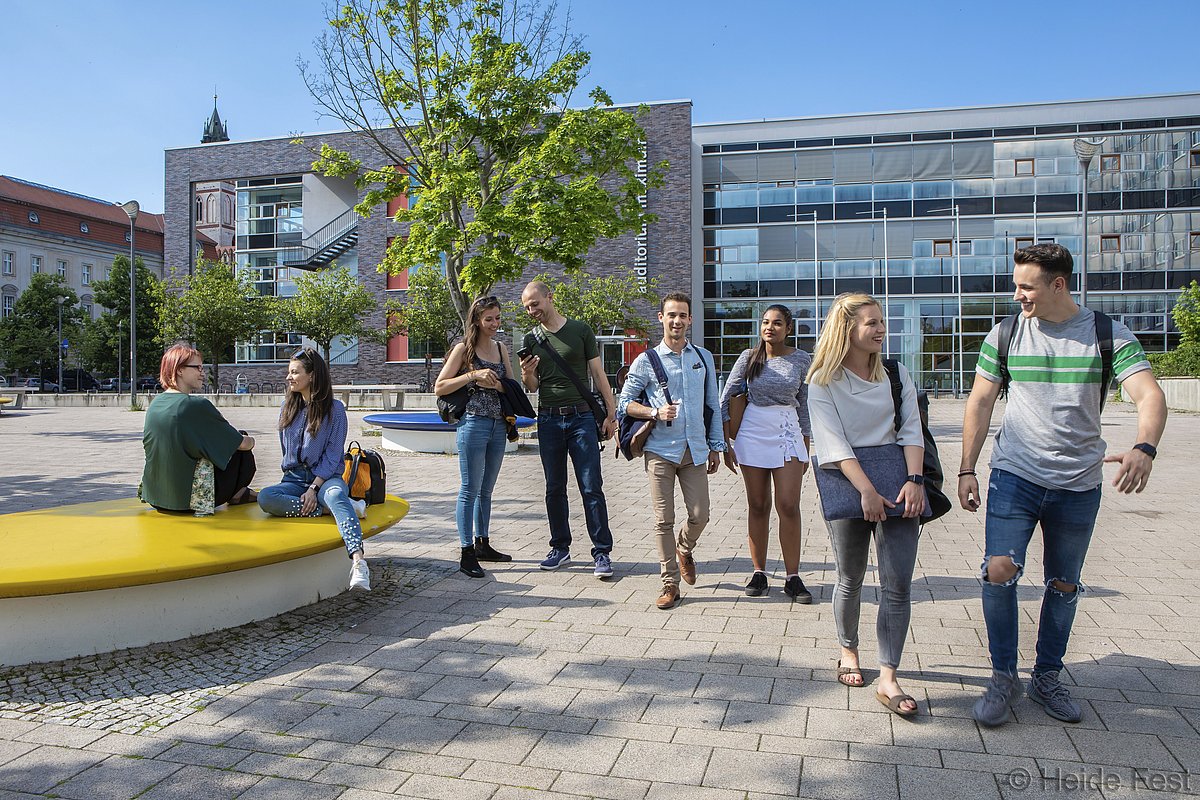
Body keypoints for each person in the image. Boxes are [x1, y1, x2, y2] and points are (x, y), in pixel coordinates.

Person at [960, 243, 1166, 727]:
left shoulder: (1106, 334)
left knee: (1063, 583)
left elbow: (1149, 394)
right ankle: (1003, 676)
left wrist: (1145, 447)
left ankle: (1047, 678)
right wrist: (967, 468)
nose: (1017, 296)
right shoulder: (1006, 334)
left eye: (1026, 287)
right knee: (998, 569)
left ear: (1058, 284)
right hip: (1016, 474)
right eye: (1017, 285)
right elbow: (980, 403)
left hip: (1077, 483)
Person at [806, 293, 926, 718]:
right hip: (848, 480)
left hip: (899, 478)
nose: (880, 329)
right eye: (870, 323)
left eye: (881, 322)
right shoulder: (822, 380)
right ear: (846, 330)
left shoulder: (895, 373)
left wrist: (915, 481)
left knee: (898, 584)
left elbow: (912, 429)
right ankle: (848, 650)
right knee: (850, 577)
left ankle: (889, 676)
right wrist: (866, 491)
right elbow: (831, 443)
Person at [617, 293, 724, 609]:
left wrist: (716, 447)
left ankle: (684, 547)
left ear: (690, 319)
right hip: (660, 450)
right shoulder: (646, 360)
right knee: (663, 519)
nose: (677, 321)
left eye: (683, 315)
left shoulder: (702, 358)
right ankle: (669, 584)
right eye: (671, 315)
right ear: (661, 318)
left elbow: (712, 407)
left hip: (694, 449)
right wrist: (654, 413)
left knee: (700, 514)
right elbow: (625, 404)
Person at [518, 280, 618, 578]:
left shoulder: (580, 330)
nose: (532, 310)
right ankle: (560, 548)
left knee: (591, 487)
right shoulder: (530, 338)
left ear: (550, 297)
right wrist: (526, 374)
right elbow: (532, 386)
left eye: (535, 304)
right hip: (548, 419)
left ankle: (602, 552)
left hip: (581, 418)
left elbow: (598, 374)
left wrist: (611, 414)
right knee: (554, 488)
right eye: (527, 307)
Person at [257, 348, 372, 592]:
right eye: (289, 372)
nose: (289, 377)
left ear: (312, 376)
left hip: (326, 478)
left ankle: (358, 561)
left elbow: (332, 458)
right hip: (294, 478)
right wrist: (301, 487)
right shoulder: (287, 406)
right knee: (267, 498)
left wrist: (313, 488)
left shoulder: (335, 410)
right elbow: (286, 452)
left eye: (295, 372)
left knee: (334, 495)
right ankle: (334, 509)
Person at [719, 304, 813, 601]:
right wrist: (725, 444)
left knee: (788, 504)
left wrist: (806, 444)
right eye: (765, 322)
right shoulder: (749, 357)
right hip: (752, 432)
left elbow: (806, 403)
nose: (769, 327)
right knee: (758, 504)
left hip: (787, 430)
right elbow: (724, 399)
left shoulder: (801, 359)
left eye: (776, 323)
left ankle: (793, 577)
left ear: (788, 328)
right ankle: (759, 572)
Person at [435, 296, 515, 579]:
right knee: (469, 488)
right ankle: (466, 551)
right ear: (477, 321)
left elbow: (512, 388)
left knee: (487, 489)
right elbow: (440, 387)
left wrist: (498, 384)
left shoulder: (502, 348)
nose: (495, 324)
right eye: (489, 319)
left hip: (498, 426)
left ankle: (483, 543)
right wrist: (473, 375)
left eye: (497, 318)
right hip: (473, 423)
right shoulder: (463, 350)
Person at [141, 344, 256, 514]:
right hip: (189, 501)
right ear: (179, 370)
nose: (202, 372)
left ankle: (239, 494)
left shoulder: (155, 404)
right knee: (241, 439)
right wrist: (252, 440)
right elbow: (242, 444)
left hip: (155, 498)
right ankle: (237, 494)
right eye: (197, 367)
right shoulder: (195, 405)